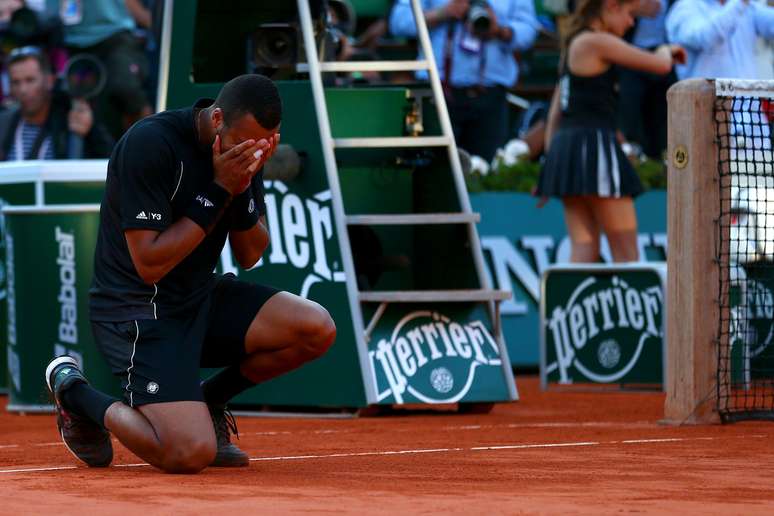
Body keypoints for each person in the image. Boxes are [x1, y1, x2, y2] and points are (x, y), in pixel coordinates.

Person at [44, 74, 337, 473]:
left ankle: (210, 400)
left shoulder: (243, 152)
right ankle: (73, 392)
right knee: (188, 454)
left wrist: (240, 185)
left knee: (315, 327)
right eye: (242, 146)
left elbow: (250, 253)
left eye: (261, 146)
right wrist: (219, 189)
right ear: (216, 119)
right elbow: (149, 264)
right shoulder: (150, 143)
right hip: (136, 311)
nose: (248, 154)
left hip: (198, 297)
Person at [535, 0, 685, 263]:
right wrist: (665, 48)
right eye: (629, 14)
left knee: (584, 250)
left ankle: (569, 306)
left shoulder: (574, 44)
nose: (631, 23)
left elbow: (555, 113)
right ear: (611, 6)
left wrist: (551, 166)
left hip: (567, 149)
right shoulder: (597, 42)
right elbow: (660, 65)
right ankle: (629, 305)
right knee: (627, 253)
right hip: (592, 148)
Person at [389, 0, 538, 162]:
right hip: (436, 94)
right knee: (432, 171)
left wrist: (499, 31)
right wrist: (442, 13)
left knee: (484, 170)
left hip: (490, 95)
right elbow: (398, 22)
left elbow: (529, 30)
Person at [44, 0, 153, 138]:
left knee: (126, 88)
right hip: (72, 41)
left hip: (114, 33)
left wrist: (150, 21)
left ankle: (149, 140)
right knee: (82, 109)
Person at [0, 45, 113, 160]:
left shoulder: (70, 120)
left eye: (30, 80)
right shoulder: (4, 123)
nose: (23, 90)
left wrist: (92, 133)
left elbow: (109, 161)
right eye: (15, 82)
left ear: (50, 81)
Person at [618, 0, 676, 159]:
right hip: (634, 53)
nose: (629, 21)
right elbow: (663, 64)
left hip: (664, 56)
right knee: (630, 117)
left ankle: (658, 162)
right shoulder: (604, 43)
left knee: (663, 118)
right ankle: (635, 159)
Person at [665, 0, 774, 81]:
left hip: (749, 109)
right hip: (705, 108)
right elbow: (705, 38)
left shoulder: (748, 7)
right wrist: (740, 3)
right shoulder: (684, 8)